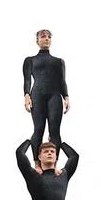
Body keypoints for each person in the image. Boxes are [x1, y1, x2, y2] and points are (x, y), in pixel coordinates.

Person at [23, 29, 69, 161]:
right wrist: (26, 96)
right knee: (38, 130)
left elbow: (62, 81)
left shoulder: (59, 61)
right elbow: (27, 80)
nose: (46, 39)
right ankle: (37, 163)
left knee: (54, 132)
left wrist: (66, 97)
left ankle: (54, 164)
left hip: (54, 96)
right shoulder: (30, 60)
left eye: (49, 37)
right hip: (37, 96)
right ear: (37, 41)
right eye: (43, 37)